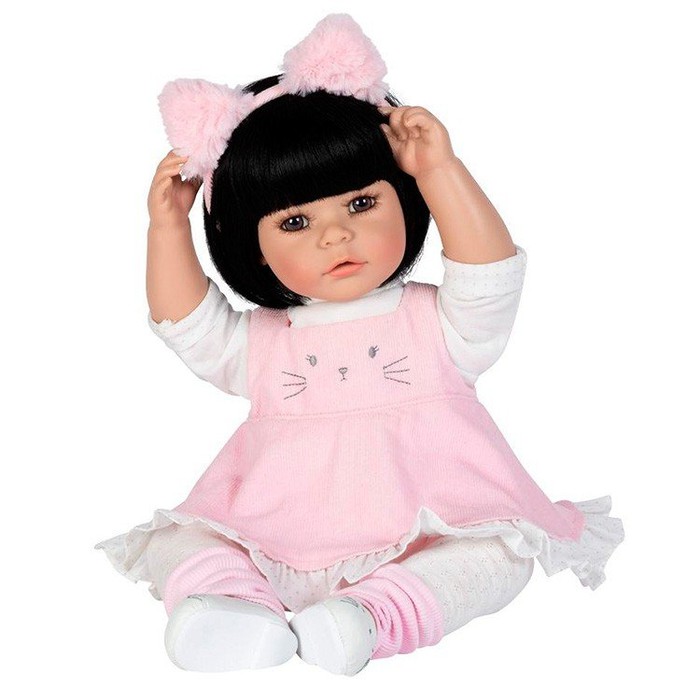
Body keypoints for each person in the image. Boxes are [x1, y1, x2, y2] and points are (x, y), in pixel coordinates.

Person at [96, 13, 624, 676]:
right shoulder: (263, 345)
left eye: (360, 204)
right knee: (181, 541)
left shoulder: (440, 324)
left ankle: (369, 618)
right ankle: (231, 606)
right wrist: (168, 227)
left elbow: (488, 274)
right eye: (295, 221)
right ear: (251, 248)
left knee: (500, 553)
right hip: (279, 529)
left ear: (405, 198)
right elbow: (188, 324)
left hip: (429, 525)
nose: (334, 236)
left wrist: (441, 168)